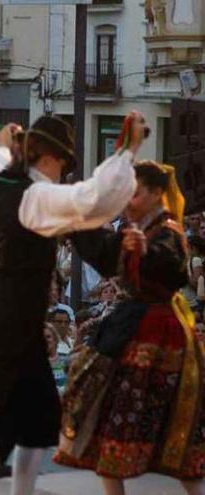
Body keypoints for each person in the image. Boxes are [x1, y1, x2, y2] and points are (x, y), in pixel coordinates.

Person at [0, 111, 146, 495]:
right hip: (12, 323)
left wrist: (5, 149)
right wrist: (127, 152)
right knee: (4, 419)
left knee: (41, 416)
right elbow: (92, 198)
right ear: (50, 157)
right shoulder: (37, 195)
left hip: (10, 320)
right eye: (63, 163)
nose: (64, 172)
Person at [55, 161, 205, 494]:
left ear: (156, 194)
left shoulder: (169, 231)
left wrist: (145, 251)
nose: (128, 201)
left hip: (160, 332)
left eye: (135, 194)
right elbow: (108, 255)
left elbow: (173, 269)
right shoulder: (136, 229)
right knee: (106, 417)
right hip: (130, 326)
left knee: (171, 422)